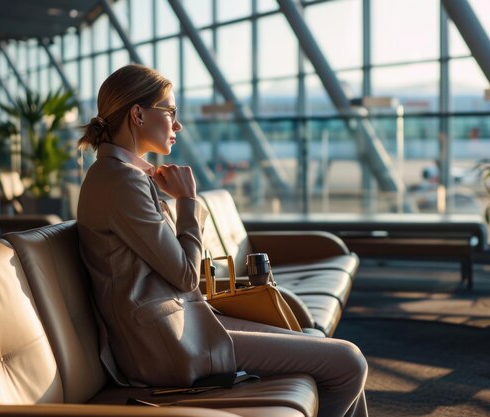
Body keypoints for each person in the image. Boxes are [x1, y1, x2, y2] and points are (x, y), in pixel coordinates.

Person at [77, 64, 368, 417]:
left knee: (326, 347)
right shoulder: (121, 182)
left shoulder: (119, 176)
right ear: (138, 114)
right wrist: (186, 201)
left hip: (181, 326)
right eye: (170, 112)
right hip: (165, 345)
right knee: (348, 362)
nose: (178, 125)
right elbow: (185, 274)